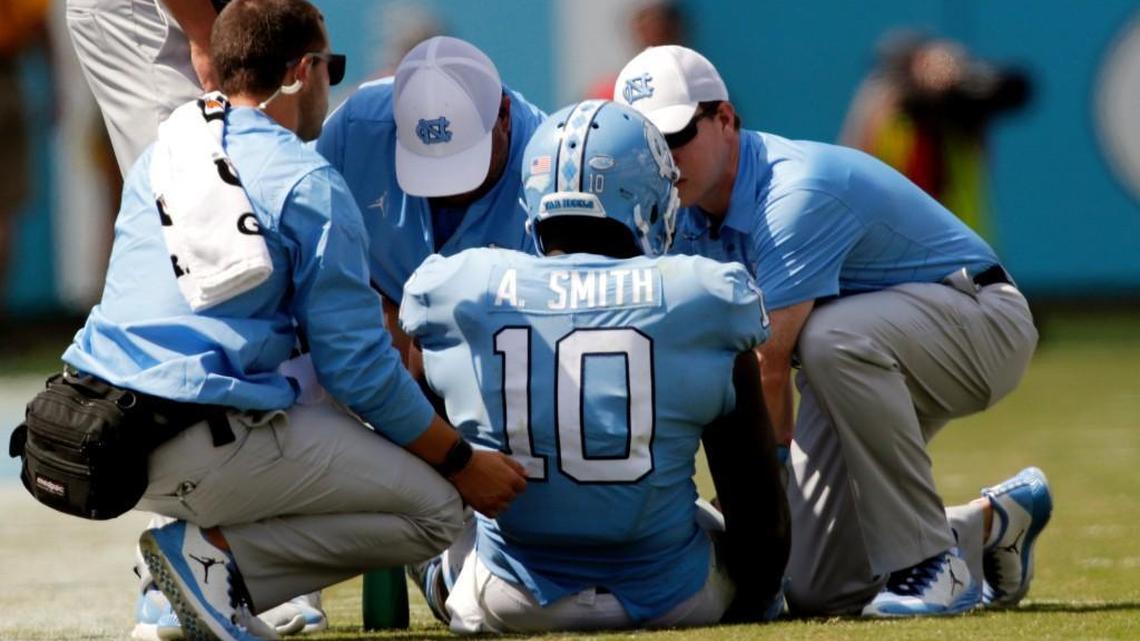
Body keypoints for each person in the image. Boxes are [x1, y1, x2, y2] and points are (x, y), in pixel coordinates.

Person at [55, 2, 527, 641]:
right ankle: (215, 562)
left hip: (96, 437)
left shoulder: (164, 151)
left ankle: (201, 567)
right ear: (302, 71)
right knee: (436, 509)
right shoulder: (308, 179)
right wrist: (460, 459)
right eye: (332, 66)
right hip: (202, 436)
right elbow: (359, 373)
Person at [615, 45, 1052, 617]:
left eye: (674, 137)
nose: (665, 161)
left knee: (826, 339)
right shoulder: (682, 212)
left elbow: (768, 366)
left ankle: (934, 567)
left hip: (982, 324)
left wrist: (757, 505)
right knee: (819, 588)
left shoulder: (793, 194)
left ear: (725, 119)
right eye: (648, 147)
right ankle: (991, 525)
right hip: (863, 359)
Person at [398, 99, 789, 633]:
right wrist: (757, 600)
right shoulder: (702, 295)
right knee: (713, 517)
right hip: (672, 594)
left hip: (511, 597)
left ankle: (445, 587)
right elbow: (758, 516)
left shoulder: (460, 286)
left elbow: (413, 441)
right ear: (648, 195)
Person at [316, 35, 546, 363]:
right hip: (381, 356)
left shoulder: (548, 169)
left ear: (504, 115)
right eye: (429, 163)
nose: (446, 188)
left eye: (462, 161)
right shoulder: (352, 131)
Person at [839, 31, 1032, 241]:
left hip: (965, 255)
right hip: (893, 255)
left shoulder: (961, 115)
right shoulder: (884, 107)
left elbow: (1007, 91)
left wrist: (959, 73)